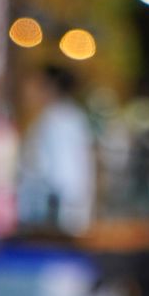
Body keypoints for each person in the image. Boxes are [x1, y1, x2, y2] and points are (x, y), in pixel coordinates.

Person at [19, 66, 95, 235]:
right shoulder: (72, 116)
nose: (30, 90)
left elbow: (56, 172)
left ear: (50, 86)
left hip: (53, 212)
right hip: (67, 208)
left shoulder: (55, 120)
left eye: (36, 84)